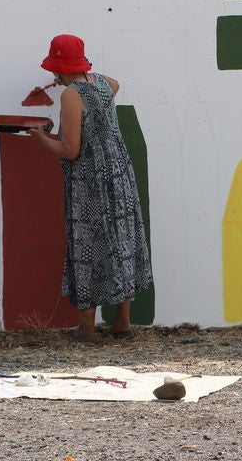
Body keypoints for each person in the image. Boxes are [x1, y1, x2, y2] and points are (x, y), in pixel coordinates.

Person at [29, 34, 153, 342]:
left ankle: (86, 328)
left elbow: (70, 150)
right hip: (119, 174)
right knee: (121, 241)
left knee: (88, 244)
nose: (53, 76)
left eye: (55, 69)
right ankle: (122, 324)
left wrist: (41, 138)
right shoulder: (103, 84)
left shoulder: (71, 95)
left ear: (59, 66)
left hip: (90, 181)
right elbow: (115, 83)